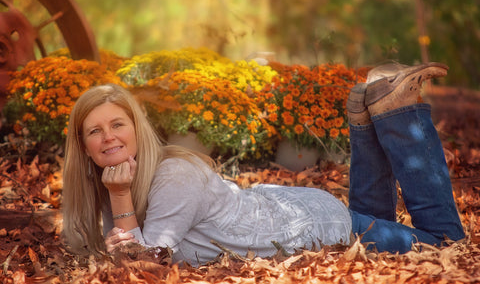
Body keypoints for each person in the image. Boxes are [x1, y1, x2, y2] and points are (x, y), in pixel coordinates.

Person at [62, 62, 465, 266]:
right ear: (82, 146)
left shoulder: (173, 175)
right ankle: (366, 113)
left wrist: (119, 197)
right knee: (371, 223)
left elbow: (144, 266)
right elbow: (116, 255)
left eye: (117, 124)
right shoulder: (108, 181)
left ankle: (399, 113)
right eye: (94, 131)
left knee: (446, 243)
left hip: (312, 229)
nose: (108, 137)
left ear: (137, 130)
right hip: (294, 210)